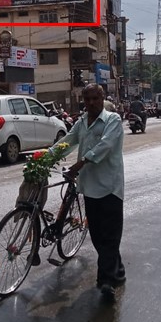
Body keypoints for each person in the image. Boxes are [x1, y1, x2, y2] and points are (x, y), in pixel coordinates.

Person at [48, 84, 126, 301]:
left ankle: (106, 282)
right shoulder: (82, 122)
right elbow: (67, 142)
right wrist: (46, 158)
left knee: (111, 236)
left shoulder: (112, 120)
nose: (91, 103)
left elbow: (106, 145)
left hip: (110, 187)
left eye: (95, 98)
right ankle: (117, 271)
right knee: (99, 236)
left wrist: (79, 164)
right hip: (90, 188)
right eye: (87, 99)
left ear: (102, 98)